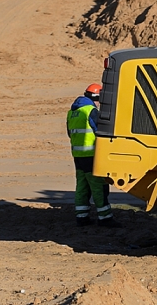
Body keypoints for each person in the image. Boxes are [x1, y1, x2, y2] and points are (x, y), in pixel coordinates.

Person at [67, 83, 117, 227]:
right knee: (98, 187)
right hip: (91, 156)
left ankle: (82, 217)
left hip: (77, 155)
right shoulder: (91, 111)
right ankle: (105, 218)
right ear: (96, 98)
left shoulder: (72, 112)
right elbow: (99, 132)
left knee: (82, 186)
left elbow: (70, 133)